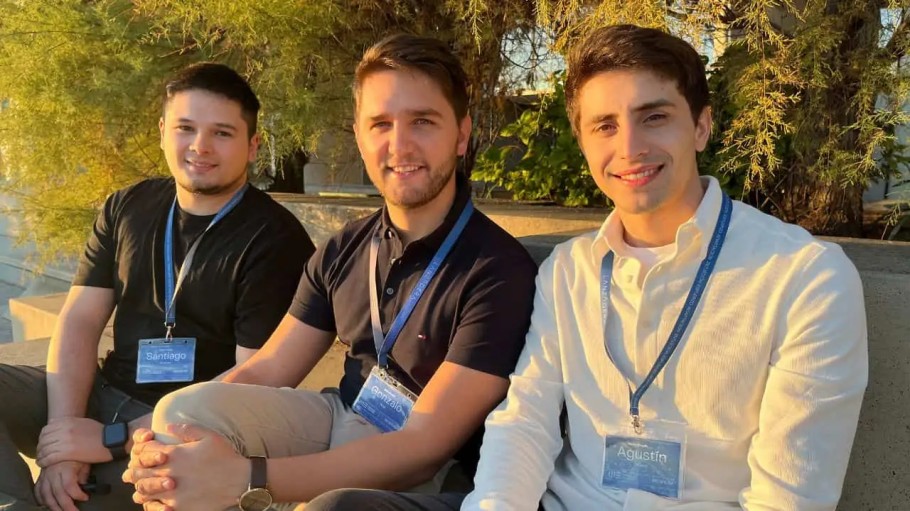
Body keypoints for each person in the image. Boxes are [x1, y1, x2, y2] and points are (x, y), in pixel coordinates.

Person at [302, 23, 869, 511]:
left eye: (654, 117)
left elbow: (788, 498)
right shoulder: (569, 272)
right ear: (582, 140)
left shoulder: (805, 280)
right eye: (605, 126)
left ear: (701, 125)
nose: (630, 147)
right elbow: (524, 424)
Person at [122, 33, 538, 511]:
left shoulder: (498, 270)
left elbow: (424, 449)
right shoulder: (346, 247)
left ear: (461, 135)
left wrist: (247, 478)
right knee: (182, 413)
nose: (399, 144)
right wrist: (153, 445)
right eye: (380, 124)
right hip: (340, 413)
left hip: (426, 467)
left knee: (330, 506)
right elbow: (268, 368)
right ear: (360, 137)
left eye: (423, 121)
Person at [0, 62, 315, 511]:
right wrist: (64, 439)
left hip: (187, 431)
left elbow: (248, 385)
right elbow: (79, 322)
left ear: (252, 146)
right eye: (186, 128)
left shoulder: (275, 240)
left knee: (79, 503)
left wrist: (112, 439)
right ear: (164, 131)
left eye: (222, 133)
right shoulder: (128, 206)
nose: (200, 146)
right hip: (102, 395)